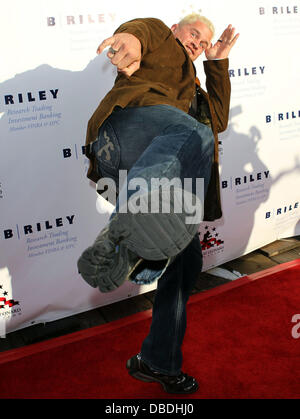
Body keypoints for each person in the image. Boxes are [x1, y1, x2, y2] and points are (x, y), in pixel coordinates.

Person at [78, 13, 239, 394]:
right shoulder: (161, 44)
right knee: (185, 129)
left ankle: (157, 362)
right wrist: (130, 40)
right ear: (175, 31)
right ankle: (130, 232)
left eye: (204, 42)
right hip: (125, 134)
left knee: (185, 266)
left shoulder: (194, 86)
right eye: (193, 34)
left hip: (167, 183)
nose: (197, 43)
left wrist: (216, 65)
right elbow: (142, 31)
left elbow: (218, 119)